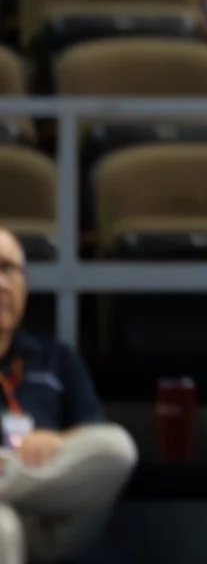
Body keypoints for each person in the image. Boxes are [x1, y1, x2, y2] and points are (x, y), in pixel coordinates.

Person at [0, 228, 135, 564]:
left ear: (26, 286)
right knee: (2, 527)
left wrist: (58, 441)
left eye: (10, 270)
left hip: (53, 515)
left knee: (115, 447)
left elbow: (93, 436)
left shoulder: (57, 359)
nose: (2, 284)